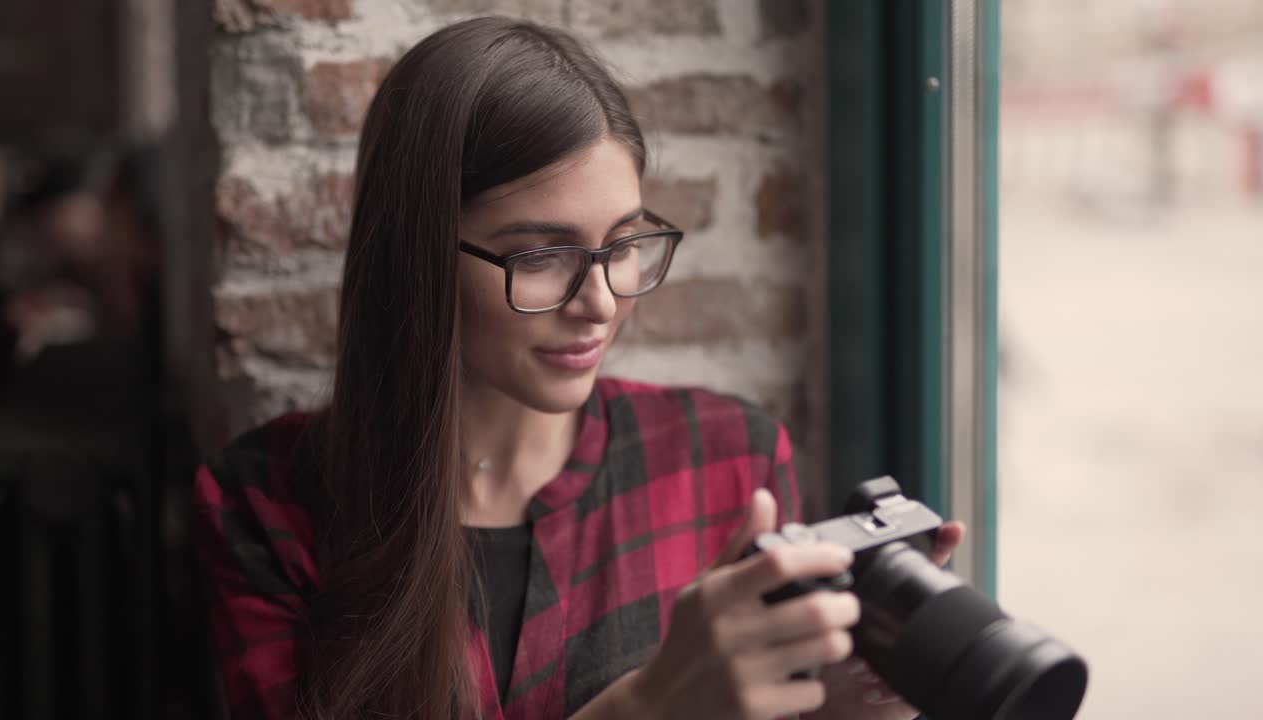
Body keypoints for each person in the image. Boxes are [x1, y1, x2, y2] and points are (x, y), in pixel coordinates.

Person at [191, 16, 964, 720]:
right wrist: (650, 706)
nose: (599, 301)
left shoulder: (729, 460)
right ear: (418, 255)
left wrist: (841, 708)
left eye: (623, 245)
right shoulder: (265, 504)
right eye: (541, 256)